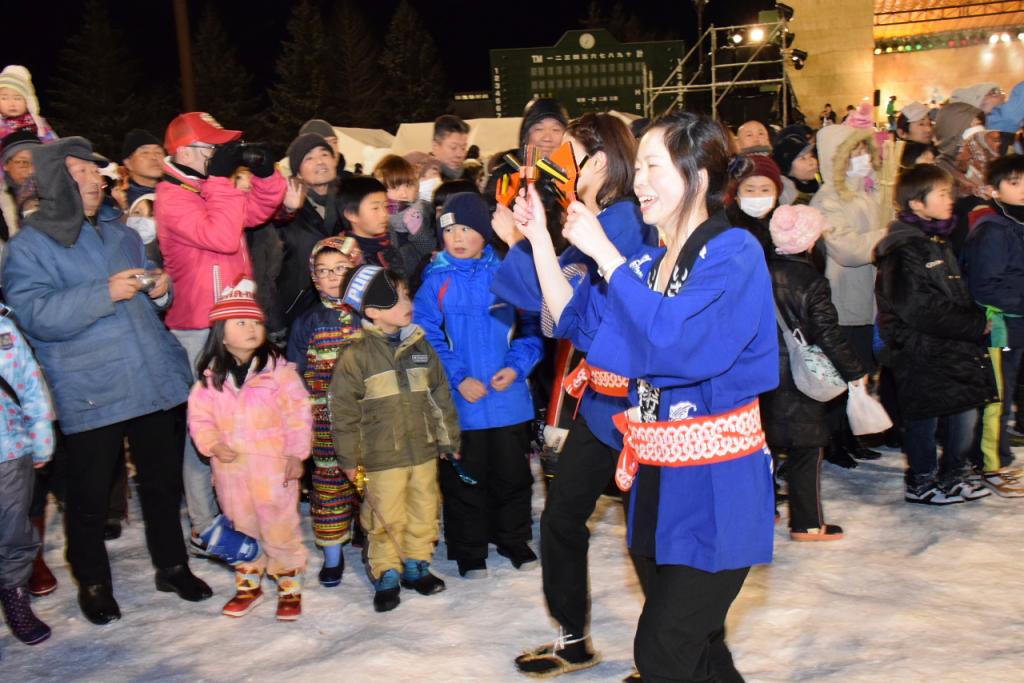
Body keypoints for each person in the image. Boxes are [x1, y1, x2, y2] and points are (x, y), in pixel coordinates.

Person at [511, 111, 778, 682]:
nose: (639, 180)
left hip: (716, 483)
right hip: (658, 479)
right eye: (642, 166)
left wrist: (606, 253)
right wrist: (539, 239)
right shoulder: (650, 265)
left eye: (655, 165)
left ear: (698, 178)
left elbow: (680, 343)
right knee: (699, 650)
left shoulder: (734, 254)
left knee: (662, 651)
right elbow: (572, 322)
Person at [2, 137, 211, 625]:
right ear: (55, 179)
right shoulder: (29, 246)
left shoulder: (121, 231)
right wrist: (105, 292)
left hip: (151, 377)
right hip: (90, 385)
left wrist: (161, 288)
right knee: (91, 495)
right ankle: (93, 581)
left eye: (97, 170)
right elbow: (34, 315)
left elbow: (149, 291)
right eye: (80, 171)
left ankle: (173, 565)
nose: (95, 179)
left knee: (161, 485)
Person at [490, 112, 655, 678]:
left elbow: (577, 306)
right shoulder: (597, 219)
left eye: (571, 155)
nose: (562, 167)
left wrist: (528, 241)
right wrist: (524, 238)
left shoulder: (626, 220)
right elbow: (547, 302)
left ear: (601, 162)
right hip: (602, 404)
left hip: (642, 410)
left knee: (647, 538)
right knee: (562, 519)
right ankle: (573, 639)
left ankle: (666, 657)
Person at [155, 112, 286, 551]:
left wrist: (266, 175)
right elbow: (223, 235)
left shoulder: (206, 188)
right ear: (187, 151)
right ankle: (204, 524)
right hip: (198, 328)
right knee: (205, 430)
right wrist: (221, 181)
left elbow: (262, 209)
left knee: (241, 423)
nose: (220, 154)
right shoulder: (172, 196)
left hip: (235, 321)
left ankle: (239, 508)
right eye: (213, 147)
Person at [415, 193, 543, 578]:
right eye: (449, 229)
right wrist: (458, 378)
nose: (457, 236)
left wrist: (517, 367)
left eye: (467, 228)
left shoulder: (507, 271)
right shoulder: (434, 279)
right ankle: (469, 549)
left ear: (486, 232)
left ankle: (513, 537)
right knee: (463, 479)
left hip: (508, 398)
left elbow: (534, 326)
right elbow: (426, 336)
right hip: (462, 402)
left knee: (512, 475)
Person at [330, 265, 461, 612]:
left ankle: (417, 562)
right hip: (381, 456)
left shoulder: (420, 345)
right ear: (372, 312)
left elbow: (439, 394)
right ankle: (387, 569)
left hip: (422, 450)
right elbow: (343, 413)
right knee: (385, 515)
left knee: (425, 508)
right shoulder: (356, 356)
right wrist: (348, 459)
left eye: (406, 295)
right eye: (398, 299)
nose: (408, 302)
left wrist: (447, 439)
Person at [188, 280, 313, 620]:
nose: (251, 329)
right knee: (241, 527)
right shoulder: (210, 381)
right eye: (241, 323)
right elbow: (200, 419)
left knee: (280, 527)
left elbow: (298, 414)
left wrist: (296, 454)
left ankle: (289, 586)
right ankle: (248, 584)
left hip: (274, 471)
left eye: (256, 322)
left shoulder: (280, 374)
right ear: (221, 333)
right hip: (232, 475)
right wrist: (212, 444)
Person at [875, 164, 995, 504]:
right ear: (916, 203)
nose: (949, 200)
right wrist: (974, 324)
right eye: (941, 194)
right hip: (922, 351)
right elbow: (918, 307)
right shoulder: (903, 249)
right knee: (924, 419)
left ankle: (953, 475)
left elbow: (952, 295)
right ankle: (922, 479)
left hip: (951, 347)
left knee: (963, 412)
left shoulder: (934, 241)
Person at [762, 204, 868, 538]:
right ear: (809, 242)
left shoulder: (755, 272)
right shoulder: (812, 281)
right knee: (806, 448)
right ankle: (807, 524)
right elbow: (828, 333)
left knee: (760, 446)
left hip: (759, 371)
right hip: (799, 377)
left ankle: (762, 512)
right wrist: (854, 370)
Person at [811, 104, 886, 467]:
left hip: (865, 300)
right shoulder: (828, 198)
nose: (862, 159)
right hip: (841, 300)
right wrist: (888, 236)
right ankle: (836, 440)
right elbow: (847, 248)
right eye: (852, 153)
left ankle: (853, 436)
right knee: (843, 375)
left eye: (864, 151)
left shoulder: (867, 195)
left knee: (860, 374)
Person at [285, 237, 362, 586]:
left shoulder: (371, 315)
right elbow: (294, 374)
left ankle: (381, 551)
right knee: (329, 486)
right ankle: (333, 554)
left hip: (370, 421)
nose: (332, 277)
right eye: (323, 271)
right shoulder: (308, 321)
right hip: (325, 423)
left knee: (375, 485)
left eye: (341, 269)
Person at [960, 154, 1024, 497]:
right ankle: (989, 464)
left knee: (1007, 394)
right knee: (996, 398)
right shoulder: (993, 229)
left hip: (1015, 325)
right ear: (993, 188)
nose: (1023, 190)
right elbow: (986, 286)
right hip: (998, 327)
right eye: (1014, 183)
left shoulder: (1014, 223)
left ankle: (996, 456)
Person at [0, 310, 55, 652]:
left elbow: (29, 384)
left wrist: (41, 438)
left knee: (13, 532)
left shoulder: (4, 329)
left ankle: (16, 599)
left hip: (9, 449)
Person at [275, 132, 342, 326]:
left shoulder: (350, 200)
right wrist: (287, 209)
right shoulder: (283, 206)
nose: (320, 162)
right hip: (299, 313)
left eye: (324, 154)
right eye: (309, 158)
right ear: (297, 172)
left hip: (348, 306)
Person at [373, 154, 437, 290]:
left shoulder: (426, 211)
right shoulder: (374, 219)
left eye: (408, 185)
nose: (403, 194)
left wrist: (419, 231)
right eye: (394, 187)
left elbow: (431, 252)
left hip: (422, 285)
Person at [0, 65, 57, 147]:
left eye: (17, 98)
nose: (12, 103)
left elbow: (53, 144)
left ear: (28, 102)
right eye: (4, 98)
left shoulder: (38, 124)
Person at [773, 132, 820, 206]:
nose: (812, 162)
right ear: (788, 168)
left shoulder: (819, 180)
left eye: (811, 156)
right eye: (803, 158)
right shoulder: (787, 194)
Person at [120, 129, 164, 207]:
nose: (154, 157)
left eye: (158, 152)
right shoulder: (121, 200)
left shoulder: (177, 193)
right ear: (128, 163)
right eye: (145, 152)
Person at [431, 114, 470, 180]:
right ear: (435, 146)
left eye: (463, 148)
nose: (460, 154)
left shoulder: (471, 180)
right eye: (453, 148)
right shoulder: (422, 183)